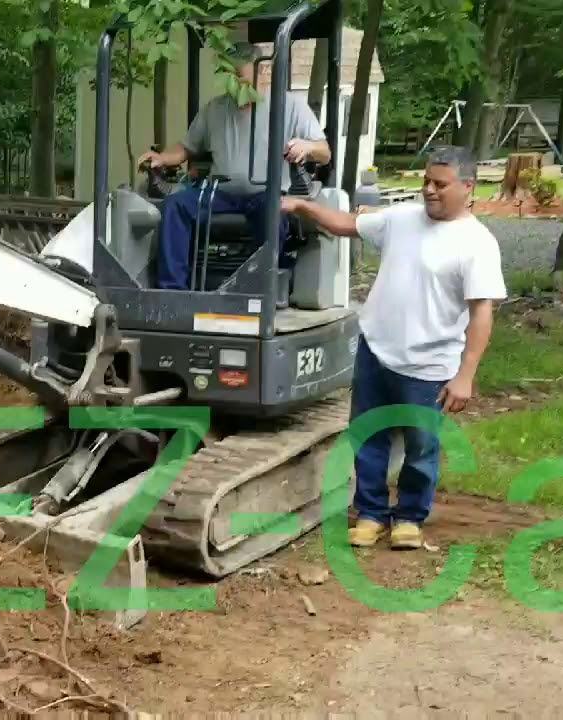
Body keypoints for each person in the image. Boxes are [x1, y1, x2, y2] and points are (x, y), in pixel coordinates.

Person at [281, 145, 508, 550]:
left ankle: (409, 517)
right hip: (376, 350)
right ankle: (370, 513)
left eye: (440, 184)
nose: (429, 190)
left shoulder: (478, 243)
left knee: (421, 447)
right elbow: (347, 225)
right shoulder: (402, 219)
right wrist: (302, 206)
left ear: (468, 187)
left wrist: (466, 375)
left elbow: (481, 314)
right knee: (368, 437)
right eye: (425, 181)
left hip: (430, 364)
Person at [138, 42, 332, 290]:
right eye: (228, 76)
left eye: (238, 76)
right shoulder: (215, 108)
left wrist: (307, 147)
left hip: (267, 194)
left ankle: (263, 289)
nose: (233, 83)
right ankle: (172, 291)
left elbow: (324, 153)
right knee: (176, 206)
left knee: (274, 214)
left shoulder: (291, 105)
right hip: (220, 193)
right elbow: (187, 147)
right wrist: (162, 158)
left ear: (262, 71)